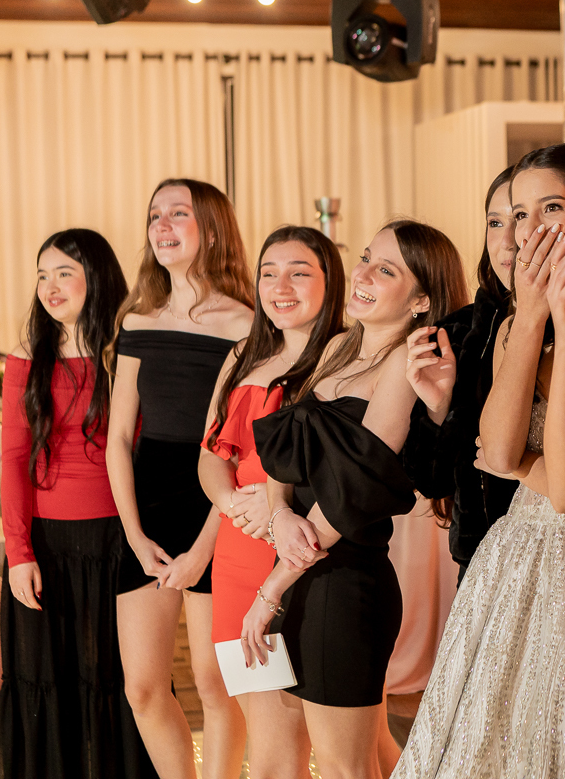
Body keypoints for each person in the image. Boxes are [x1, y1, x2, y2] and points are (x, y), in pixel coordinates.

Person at [392, 143, 565, 778]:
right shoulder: (516, 325)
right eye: (516, 213)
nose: (528, 231)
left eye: (551, 208)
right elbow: (495, 452)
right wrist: (533, 317)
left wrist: (536, 471)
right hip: (510, 559)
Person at [241, 220, 468, 779]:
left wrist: (269, 591)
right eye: (366, 258)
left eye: (385, 269)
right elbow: (285, 448)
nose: (361, 274)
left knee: (346, 767)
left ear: (422, 300)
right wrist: (278, 512)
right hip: (296, 568)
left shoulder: (404, 362)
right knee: (301, 746)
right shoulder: (341, 345)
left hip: (344, 586)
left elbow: (353, 487)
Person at [0, 229, 157, 779]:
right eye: (42, 274)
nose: (50, 286)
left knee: (123, 682)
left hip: (117, 540)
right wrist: (18, 552)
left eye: (64, 272)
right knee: (49, 680)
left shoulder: (128, 351)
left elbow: (141, 446)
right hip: (45, 544)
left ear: (97, 276)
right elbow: (14, 459)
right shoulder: (26, 358)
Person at [106, 179, 254, 779]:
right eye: (154, 215)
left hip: (216, 503)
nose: (162, 225)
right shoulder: (137, 319)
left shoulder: (246, 323)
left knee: (214, 684)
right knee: (142, 686)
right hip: (146, 503)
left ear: (212, 229)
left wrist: (200, 551)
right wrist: (135, 536)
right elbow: (119, 439)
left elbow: (240, 453)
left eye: (178, 214)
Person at [198, 226, 347, 779]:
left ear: (329, 281)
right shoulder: (243, 353)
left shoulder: (343, 355)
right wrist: (235, 503)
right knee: (269, 742)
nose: (280, 285)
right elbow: (210, 453)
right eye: (269, 272)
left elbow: (343, 464)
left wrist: (273, 501)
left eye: (299, 272)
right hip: (239, 555)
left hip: (307, 551)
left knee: (343, 747)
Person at [401, 165, 520, 584]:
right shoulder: (457, 332)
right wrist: (437, 409)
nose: (507, 242)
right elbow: (429, 481)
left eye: (520, 218)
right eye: (495, 222)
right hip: (479, 566)